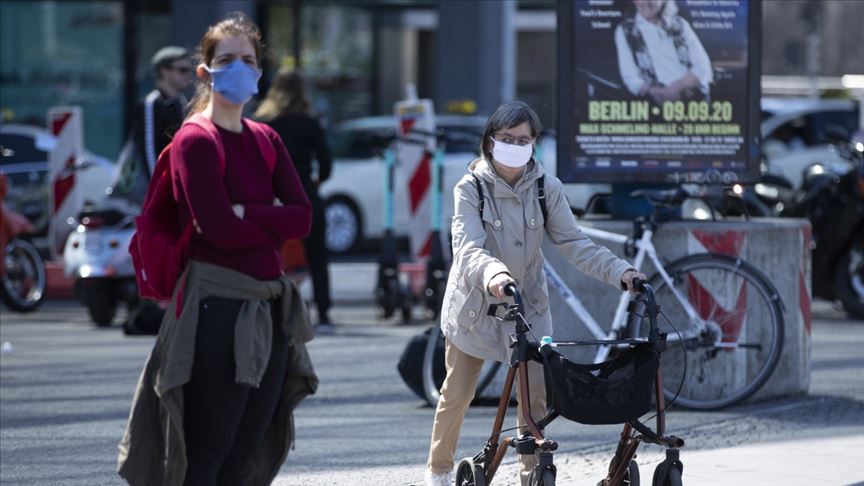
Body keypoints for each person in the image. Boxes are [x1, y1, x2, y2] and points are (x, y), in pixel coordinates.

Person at [118, 13, 317, 485]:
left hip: (269, 306)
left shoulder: (266, 137)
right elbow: (218, 227)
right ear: (204, 72)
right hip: (217, 306)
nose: (240, 69)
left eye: (248, 60)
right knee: (208, 450)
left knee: (247, 450)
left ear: (260, 71)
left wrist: (249, 213)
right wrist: (266, 219)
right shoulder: (195, 140)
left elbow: (303, 216)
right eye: (227, 60)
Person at [425, 101, 645, 486]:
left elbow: (575, 242)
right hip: (476, 306)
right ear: (490, 142)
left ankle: (531, 474)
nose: (514, 145)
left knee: (534, 397)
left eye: (522, 139)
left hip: (529, 306)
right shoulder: (471, 188)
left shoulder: (546, 187)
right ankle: (438, 471)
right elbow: (468, 249)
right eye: (506, 138)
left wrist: (620, 272)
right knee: (458, 392)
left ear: (534, 144)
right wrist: (494, 274)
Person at [254, 68, 335, 333]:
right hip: (305, 193)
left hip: (271, 195)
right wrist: (316, 181)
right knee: (317, 254)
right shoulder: (310, 123)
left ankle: (266, 306)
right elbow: (325, 163)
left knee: (269, 253)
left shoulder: (263, 122)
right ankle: (323, 312)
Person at [614, 0, 712, 104]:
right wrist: (651, 91)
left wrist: (678, 86)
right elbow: (630, 77)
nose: (646, 3)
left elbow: (703, 67)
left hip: (695, 102)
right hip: (657, 106)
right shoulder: (625, 31)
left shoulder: (681, 24)